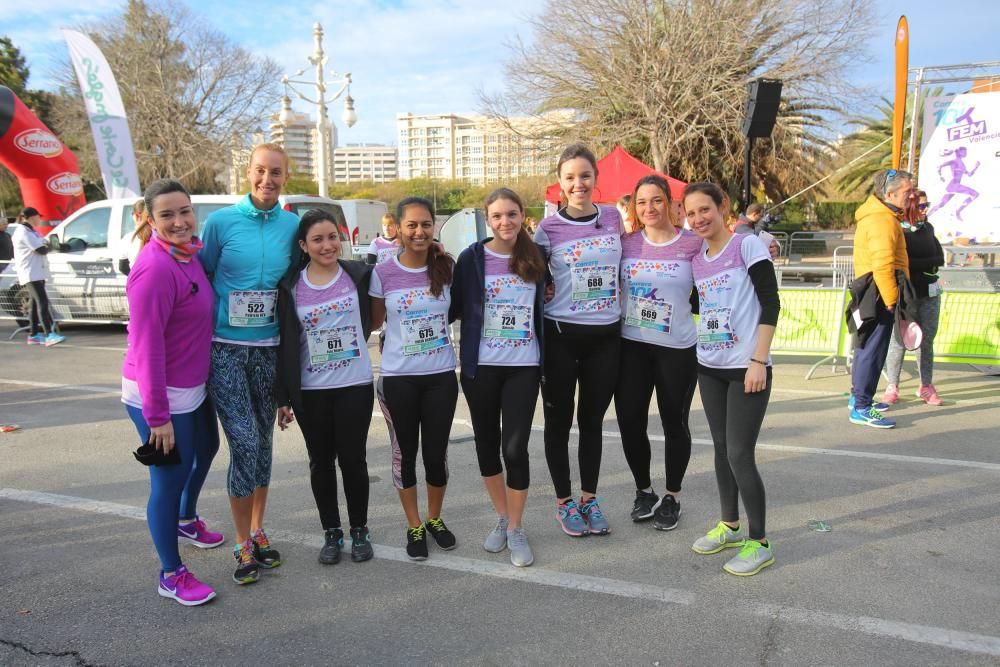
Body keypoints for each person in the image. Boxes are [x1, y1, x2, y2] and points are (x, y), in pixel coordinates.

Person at [200, 143, 300, 584]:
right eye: (260, 171)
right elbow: (201, 278)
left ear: (285, 176)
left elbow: (297, 285)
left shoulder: (293, 226)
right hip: (225, 348)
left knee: (262, 443)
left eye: (276, 173)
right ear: (248, 172)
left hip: (270, 349)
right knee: (242, 443)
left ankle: (258, 529)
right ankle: (242, 543)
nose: (267, 180)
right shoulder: (220, 223)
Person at [122, 179, 222, 606]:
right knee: (167, 481)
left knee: (208, 449)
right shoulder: (155, 268)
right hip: (158, 395)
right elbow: (147, 347)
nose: (179, 221)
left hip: (192, 387)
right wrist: (158, 415)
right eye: (167, 215)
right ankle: (170, 572)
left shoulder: (187, 255)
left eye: (184, 211)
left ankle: (186, 518)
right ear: (150, 219)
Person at [686, 182, 779, 577]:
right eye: (690, 214)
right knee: (722, 449)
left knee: (741, 454)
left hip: (747, 368)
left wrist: (758, 359)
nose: (698, 219)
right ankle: (730, 525)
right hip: (709, 366)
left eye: (705, 209)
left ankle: (759, 543)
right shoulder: (697, 259)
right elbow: (699, 303)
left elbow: (771, 301)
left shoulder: (747, 246)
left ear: (723, 207)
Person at [275, 209, 377, 565]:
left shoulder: (359, 275)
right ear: (304, 245)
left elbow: (378, 310)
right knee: (321, 461)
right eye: (317, 239)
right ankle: (331, 532)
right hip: (311, 390)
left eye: (332, 237)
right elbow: (285, 343)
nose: (327, 245)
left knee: (353, 459)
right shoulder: (290, 286)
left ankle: (360, 529)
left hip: (355, 384)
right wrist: (283, 396)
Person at [451, 188, 546, 567]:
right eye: (497, 216)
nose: (505, 222)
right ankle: (503, 517)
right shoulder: (472, 258)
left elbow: (552, 299)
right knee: (487, 447)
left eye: (511, 214)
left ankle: (518, 527)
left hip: (523, 366)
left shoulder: (536, 257)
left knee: (515, 450)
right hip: (481, 368)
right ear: (487, 220)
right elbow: (453, 305)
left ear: (523, 215)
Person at [533, 143, 623, 537]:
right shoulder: (547, 227)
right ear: (560, 183)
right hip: (561, 338)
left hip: (606, 338)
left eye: (585, 175)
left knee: (592, 421)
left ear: (595, 180)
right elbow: (528, 275)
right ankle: (564, 503)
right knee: (558, 422)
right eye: (570, 177)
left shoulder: (613, 219)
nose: (578, 183)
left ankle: (589, 498)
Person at [370, 196, 459, 561]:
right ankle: (414, 524)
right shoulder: (383, 273)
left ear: (433, 227)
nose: (419, 232)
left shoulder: (446, 268)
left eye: (426, 224)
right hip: (398, 380)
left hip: (440, 376)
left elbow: (454, 313)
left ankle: (435, 518)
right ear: (400, 230)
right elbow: (375, 322)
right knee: (404, 456)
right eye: (412, 225)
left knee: (436, 456)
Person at [615, 175, 701, 531]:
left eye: (656, 201)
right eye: (641, 202)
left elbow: (731, 255)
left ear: (671, 203)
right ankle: (644, 491)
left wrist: (763, 247)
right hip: (631, 348)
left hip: (677, 351)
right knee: (630, 422)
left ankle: (672, 495)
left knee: (674, 423)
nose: (648, 208)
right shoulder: (625, 244)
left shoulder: (693, 244)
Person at [849, 169, 913, 429]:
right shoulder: (882, 220)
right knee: (872, 350)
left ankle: (860, 400)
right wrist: (890, 299)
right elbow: (883, 263)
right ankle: (861, 407)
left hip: (873, 290)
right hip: (878, 291)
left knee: (867, 347)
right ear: (890, 193)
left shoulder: (882, 216)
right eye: (907, 192)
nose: (911, 196)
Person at [883, 189, 944, 406]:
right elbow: (902, 262)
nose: (925, 210)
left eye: (927, 205)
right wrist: (924, 262)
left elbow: (940, 259)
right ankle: (893, 385)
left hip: (929, 293)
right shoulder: (898, 229)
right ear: (910, 206)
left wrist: (922, 262)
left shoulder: (928, 228)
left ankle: (926, 385)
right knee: (899, 341)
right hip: (906, 294)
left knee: (926, 340)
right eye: (921, 206)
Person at [11, 207, 65, 346]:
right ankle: (49, 334)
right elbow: (41, 249)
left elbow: (44, 243)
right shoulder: (23, 232)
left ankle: (33, 335)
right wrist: (50, 247)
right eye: (37, 216)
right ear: (30, 217)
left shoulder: (31, 231)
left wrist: (48, 245)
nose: (39, 219)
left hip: (37, 272)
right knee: (42, 302)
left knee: (35, 304)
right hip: (30, 273)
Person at [118, 199, 152, 276]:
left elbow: (122, 267)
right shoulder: (161, 235)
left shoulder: (128, 238)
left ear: (136, 215)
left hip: (138, 283)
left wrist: (136, 278)